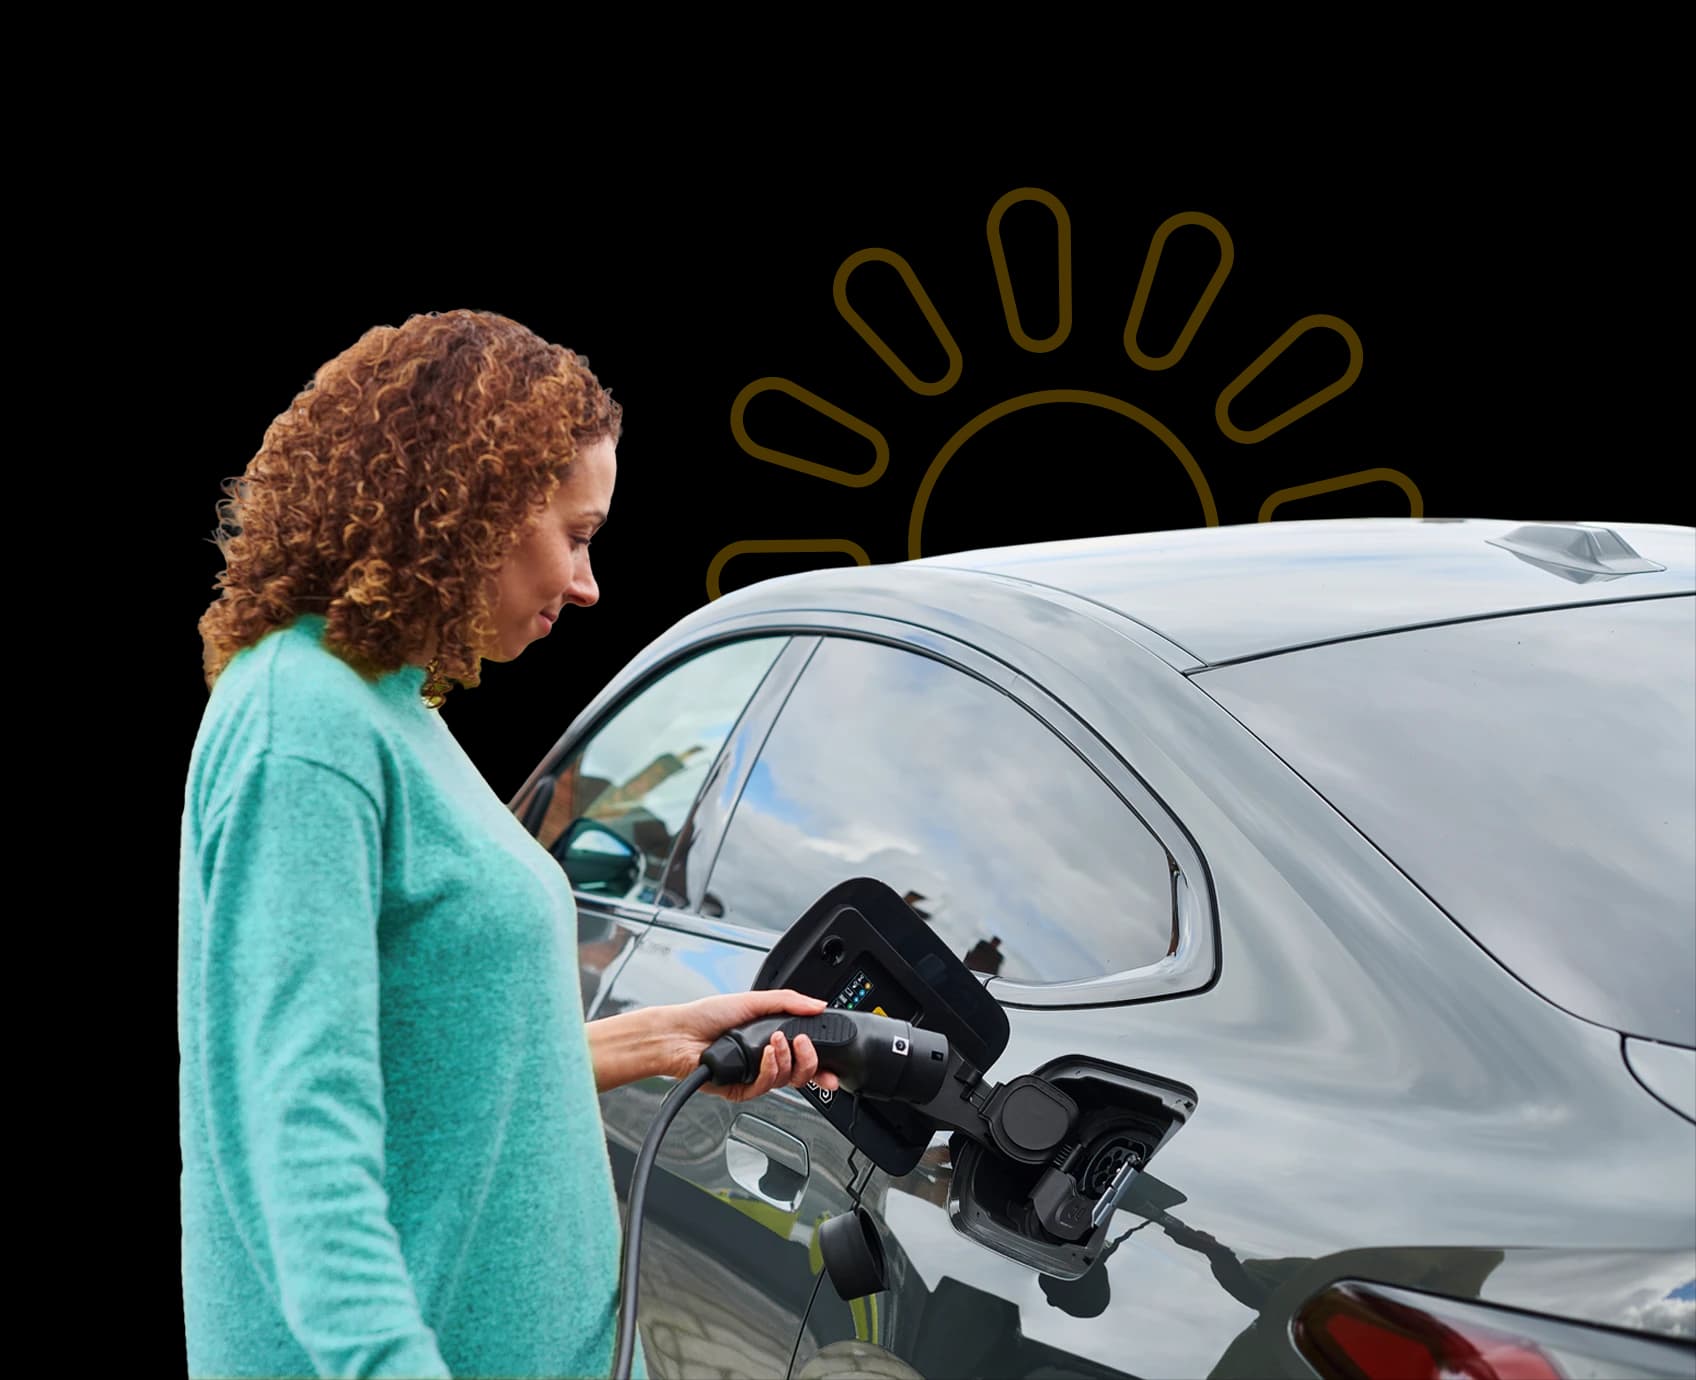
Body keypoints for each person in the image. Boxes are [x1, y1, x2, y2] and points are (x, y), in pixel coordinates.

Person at [179, 309, 841, 1379]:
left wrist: (660, 1040)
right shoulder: (303, 727)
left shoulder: (389, 707)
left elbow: (431, 1067)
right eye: (574, 535)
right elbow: (299, 1126)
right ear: (466, 509)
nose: (586, 585)